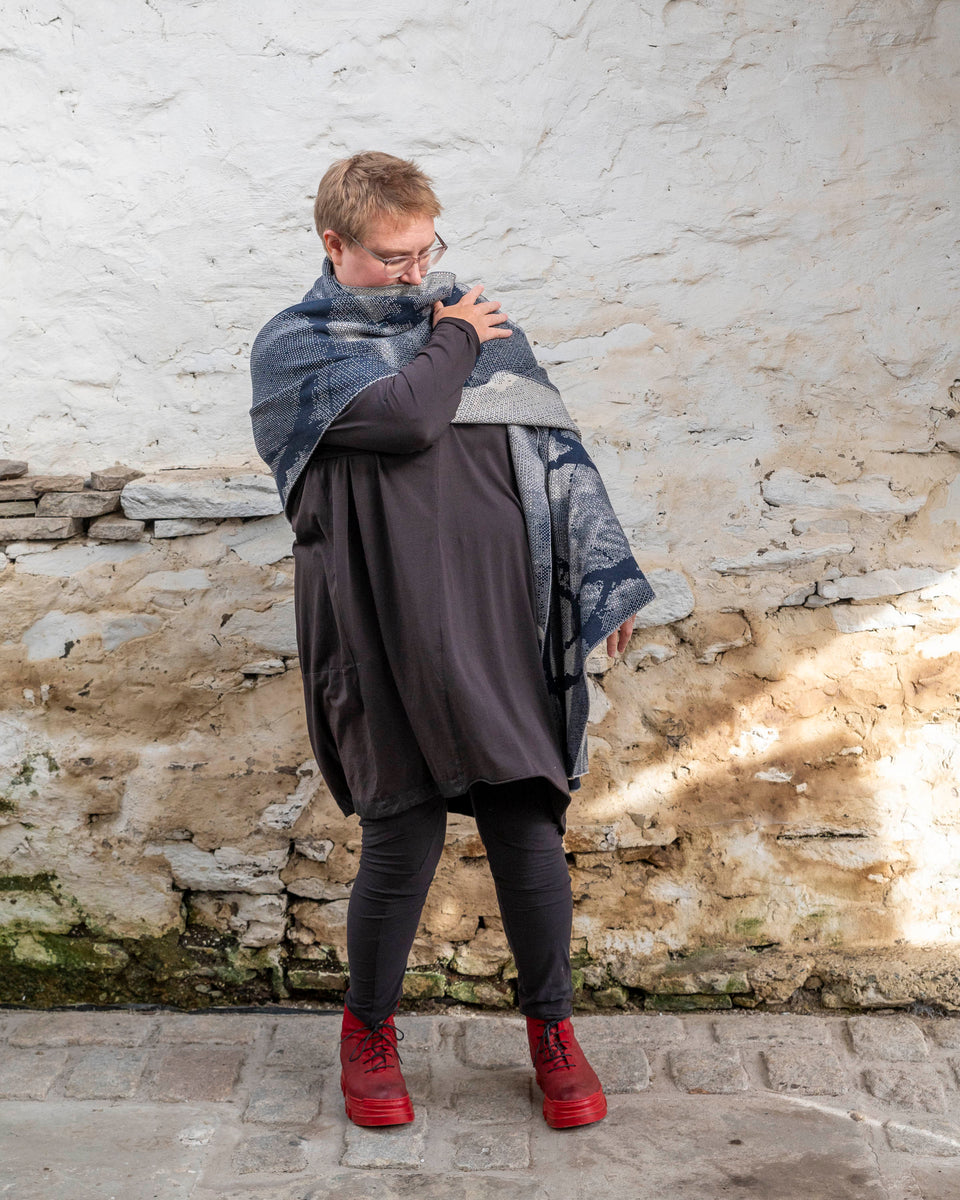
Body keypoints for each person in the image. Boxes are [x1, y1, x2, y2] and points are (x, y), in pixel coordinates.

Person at [249, 151, 655, 1131]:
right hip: (376, 623)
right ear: (334, 243)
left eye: (428, 248)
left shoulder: (468, 323)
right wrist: (457, 337)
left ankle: (553, 1030)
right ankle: (368, 1034)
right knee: (401, 832)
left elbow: (559, 446)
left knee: (526, 818)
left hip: (494, 615)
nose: (417, 268)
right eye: (395, 254)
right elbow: (406, 420)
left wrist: (606, 572)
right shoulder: (297, 345)